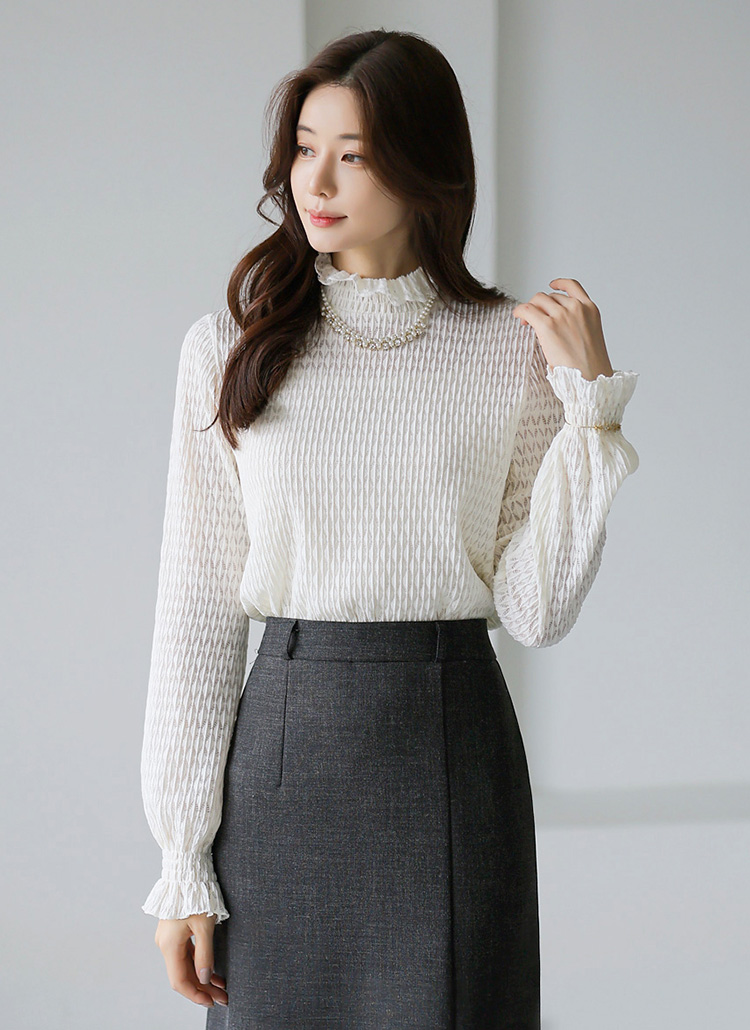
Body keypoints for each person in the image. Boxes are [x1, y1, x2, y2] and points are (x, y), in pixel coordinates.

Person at [139, 28, 640, 1030]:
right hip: (283, 765)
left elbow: (536, 611)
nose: (315, 182)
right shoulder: (231, 347)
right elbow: (195, 610)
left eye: (354, 155)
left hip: (451, 758)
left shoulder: (509, 352)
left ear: (423, 167)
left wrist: (591, 413)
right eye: (304, 148)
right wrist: (182, 859)